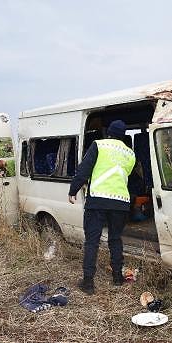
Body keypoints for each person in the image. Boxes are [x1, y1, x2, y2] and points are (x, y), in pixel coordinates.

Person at [68, 120, 136, 295]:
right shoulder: (130, 154)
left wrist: (73, 189)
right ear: (123, 136)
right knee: (115, 239)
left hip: (98, 200)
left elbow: (84, 170)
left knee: (92, 241)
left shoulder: (99, 145)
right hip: (121, 202)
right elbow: (127, 176)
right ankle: (117, 278)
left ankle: (88, 283)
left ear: (108, 132)